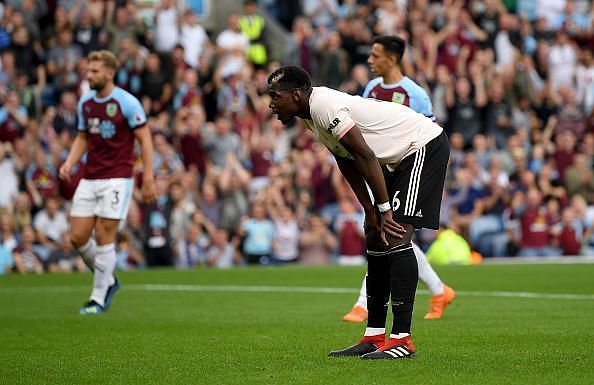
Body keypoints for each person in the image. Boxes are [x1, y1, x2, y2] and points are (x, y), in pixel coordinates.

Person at [268, 65, 449, 359]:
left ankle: (402, 339)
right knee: (375, 238)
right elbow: (346, 159)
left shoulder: (324, 106)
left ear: (297, 95)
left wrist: (384, 209)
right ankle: (374, 336)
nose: (271, 104)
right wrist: (369, 210)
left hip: (421, 145)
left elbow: (364, 154)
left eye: (275, 96)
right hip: (394, 158)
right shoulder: (308, 116)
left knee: (397, 236)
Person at [342, 35, 456, 323]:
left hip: (406, 169)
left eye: (375, 55)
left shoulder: (415, 94)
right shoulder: (371, 88)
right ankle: (439, 290)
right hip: (380, 170)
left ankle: (364, 304)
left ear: (392, 59)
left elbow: (429, 136)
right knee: (390, 231)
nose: (369, 60)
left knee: (390, 231)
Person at [59, 50, 156, 315]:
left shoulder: (127, 102)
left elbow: (145, 139)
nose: (88, 75)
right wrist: (70, 163)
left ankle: (97, 298)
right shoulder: (86, 103)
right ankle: (109, 279)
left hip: (118, 178)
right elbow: (82, 137)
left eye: (94, 71)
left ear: (109, 73)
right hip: (90, 176)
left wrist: (147, 176)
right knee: (77, 236)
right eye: (88, 70)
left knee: (104, 234)